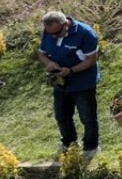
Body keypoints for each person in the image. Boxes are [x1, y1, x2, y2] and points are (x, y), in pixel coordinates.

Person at [38, 11, 100, 157]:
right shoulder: (49, 31)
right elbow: (41, 53)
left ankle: (91, 147)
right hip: (60, 82)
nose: (53, 36)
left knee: (87, 117)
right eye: (49, 33)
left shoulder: (85, 33)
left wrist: (71, 71)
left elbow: (91, 59)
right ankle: (69, 143)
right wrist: (49, 63)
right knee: (62, 116)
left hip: (83, 82)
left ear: (65, 24)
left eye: (56, 33)